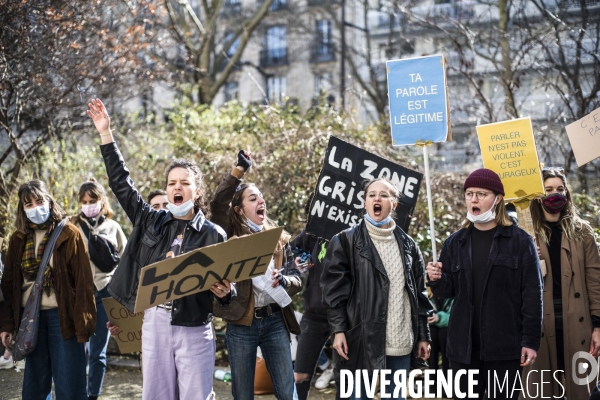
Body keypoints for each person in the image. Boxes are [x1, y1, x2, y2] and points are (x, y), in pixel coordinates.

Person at [87, 98, 230, 400]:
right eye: (171, 183)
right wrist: (105, 134)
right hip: (155, 324)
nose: (177, 187)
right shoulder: (150, 220)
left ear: (197, 190)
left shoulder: (213, 234)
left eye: (185, 183)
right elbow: (121, 183)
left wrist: (225, 293)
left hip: (194, 327)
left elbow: (230, 295)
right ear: (166, 190)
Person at [426, 168, 543, 400]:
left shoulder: (520, 242)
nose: (474, 199)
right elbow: (448, 291)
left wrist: (530, 341)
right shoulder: (454, 242)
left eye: (481, 193)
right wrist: (436, 279)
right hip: (463, 349)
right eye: (469, 194)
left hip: (505, 348)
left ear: (498, 199)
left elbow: (532, 295)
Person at [321, 178, 433, 400]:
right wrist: (339, 330)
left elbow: (418, 295)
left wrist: (423, 335)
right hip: (359, 340)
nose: (376, 199)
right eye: (371, 195)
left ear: (394, 204)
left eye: (383, 195)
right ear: (365, 203)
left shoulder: (409, 245)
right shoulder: (345, 241)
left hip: (400, 341)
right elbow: (334, 293)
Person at [210, 150, 303, 400]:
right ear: (240, 210)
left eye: (261, 197)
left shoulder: (279, 238)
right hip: (242, 324)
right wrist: (239, 169)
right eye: (253, 198)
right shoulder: (230, 232)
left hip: (275, 322)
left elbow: (297, 277)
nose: (260, 201)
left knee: (287, 391)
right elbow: (218, 204)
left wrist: (285, 280)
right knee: (242, 394)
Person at [0, 180, 96, 399]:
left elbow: (84, 283)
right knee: (34, 385)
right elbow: (9, 286)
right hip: (29, 318)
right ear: (22, 209)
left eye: (40, 201)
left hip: (63, 318)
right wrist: (6, 325)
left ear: (50, 201)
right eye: (29, 204)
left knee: (69, 384)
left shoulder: (69, 233)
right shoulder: (17, 239)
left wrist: (85, 326)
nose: (36, 207)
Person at [522, 167, 600, 399]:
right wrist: (525, 257)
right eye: (548, 190)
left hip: (578, 323)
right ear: (538, 195)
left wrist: (598, 326)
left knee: (580, 388)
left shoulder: (582, 231)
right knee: (541, 388)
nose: (554, 195)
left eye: (559, 189)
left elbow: (595, 279)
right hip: (540, 325)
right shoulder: (526, 233)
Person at [73, 179, 127, 400]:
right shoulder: (73, 226)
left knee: (98, 351)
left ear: (102, 201)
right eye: (84, 201)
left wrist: (121, 291)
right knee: (75, 347)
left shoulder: (113, 227)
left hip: (106, 291)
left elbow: (125, 260)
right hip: (81, 292)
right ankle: (75, 392)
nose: (88, 205)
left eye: (92, 200)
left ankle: (93, 394)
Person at [291, 197, 333, 400]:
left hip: (346, 315)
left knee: (347, 379)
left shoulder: (356, 234)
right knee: (300, 374)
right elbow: (290, 251)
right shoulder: (313, 230)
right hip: (314, 312)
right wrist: (299, 260)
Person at [426, 290, 453, 398]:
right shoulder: (426, 289)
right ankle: (432, 384)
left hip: (449, 330)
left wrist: (439, 318)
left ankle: (448, 384)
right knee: (431, 335)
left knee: (444, 335)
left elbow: (457, 316)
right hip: (433, 330)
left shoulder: (453, 287)